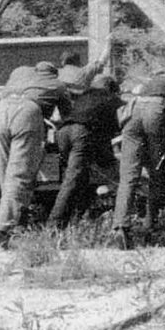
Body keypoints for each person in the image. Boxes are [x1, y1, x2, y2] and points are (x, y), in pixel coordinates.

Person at [0, 43, 109, 245]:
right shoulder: (58, 84)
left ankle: (12, 214)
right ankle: (3, 230)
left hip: (0, 111)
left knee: (3, 170)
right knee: (18, 174)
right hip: (26, 113)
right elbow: (66, 116)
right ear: (56, 72)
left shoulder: (23, 79)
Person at [49, 70, 121, 228]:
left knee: (80, 178)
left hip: (63, 133)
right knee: (72, 179)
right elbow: (114, 129)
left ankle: (77, 219)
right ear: (111, 88)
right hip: (80, 133)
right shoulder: (111, 99)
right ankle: (54, 226)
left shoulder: (84, 97)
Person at [110, 66, 165, 246]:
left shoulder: (147, 84)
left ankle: (120, 225)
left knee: (128, 176)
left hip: (133, 111)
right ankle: (150, 224)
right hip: (156, 111)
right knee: (157, 172)